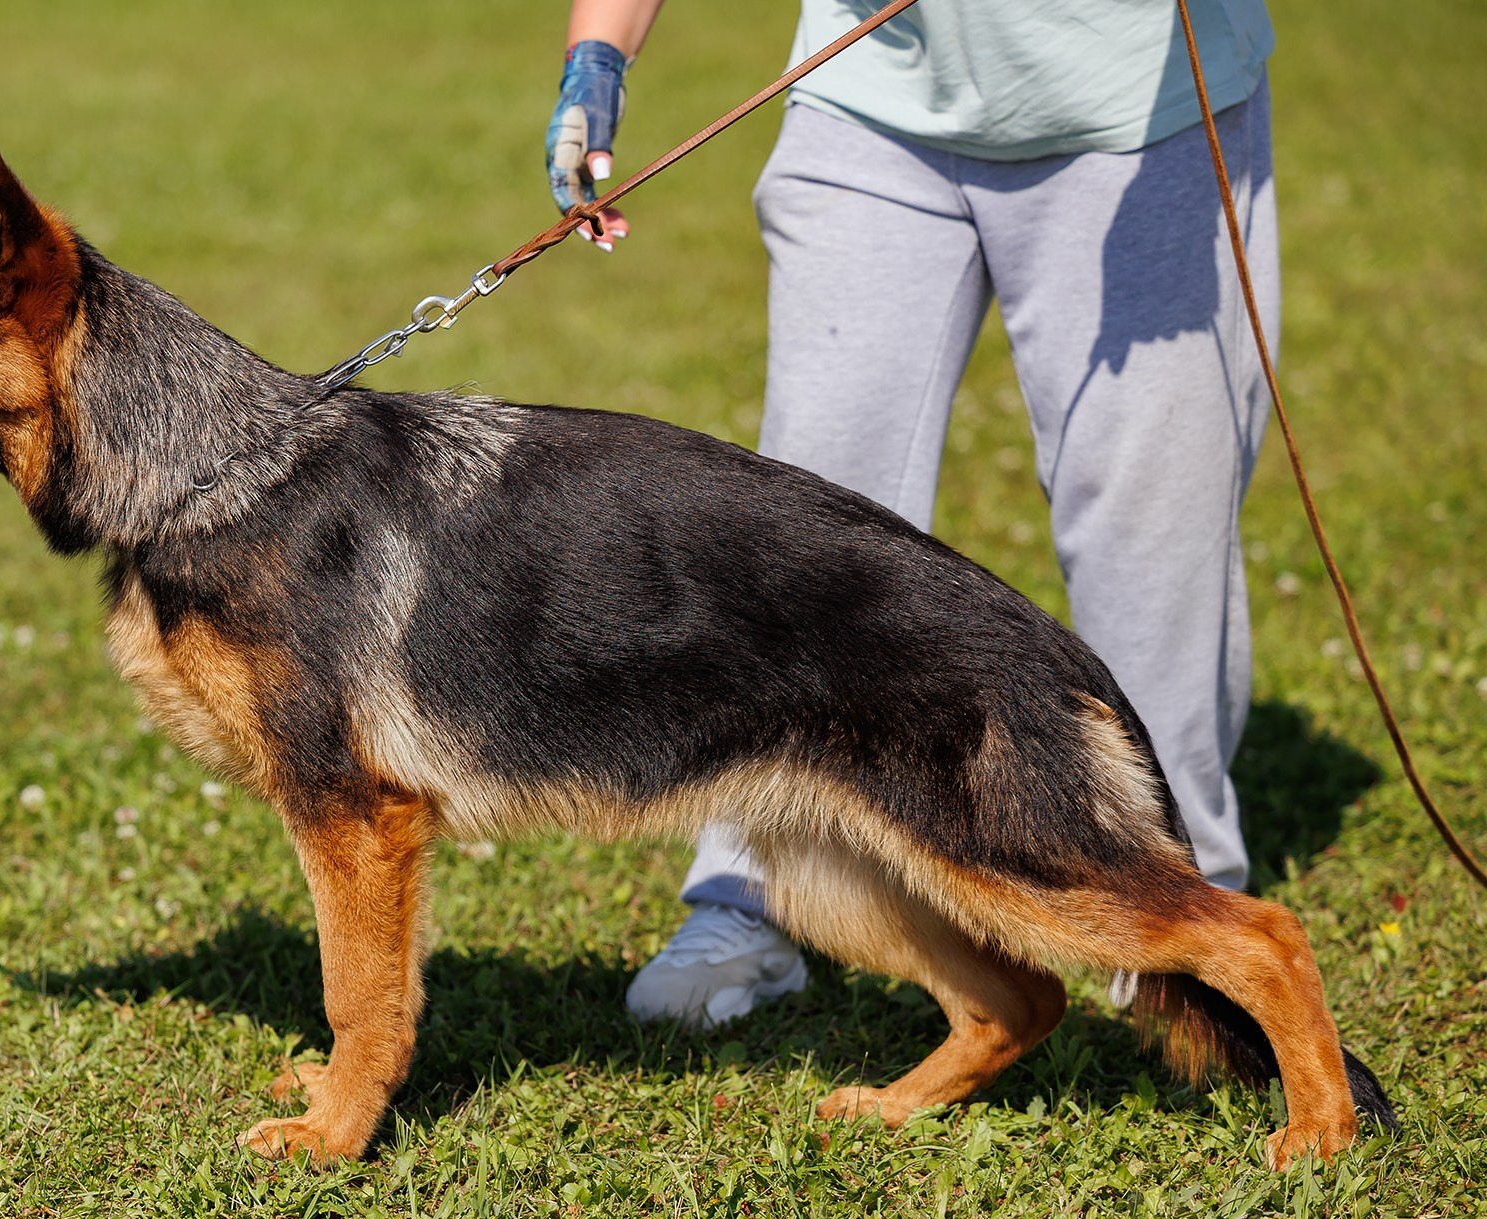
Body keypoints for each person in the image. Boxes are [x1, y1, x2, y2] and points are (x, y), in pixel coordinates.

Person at [544, 0, 1278, 1026]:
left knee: (1146, 531)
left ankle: (1176, 898)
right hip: (870, 105)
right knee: (793, 529)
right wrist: (598, 55)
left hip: (1135, 123)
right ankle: (754, 896)